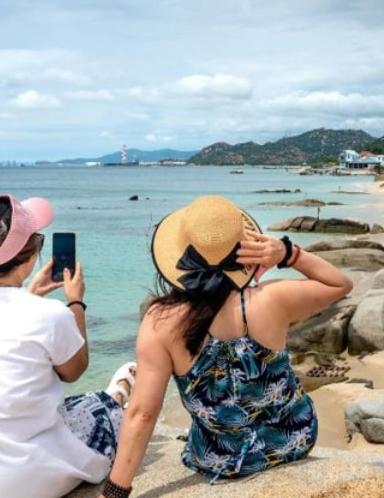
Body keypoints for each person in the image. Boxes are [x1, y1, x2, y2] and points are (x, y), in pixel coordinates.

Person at [100, 195, 353, 497]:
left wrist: (114, 492)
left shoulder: (161, 322)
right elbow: (340, 284)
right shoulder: (272, 299)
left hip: (218, 458)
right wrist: (288, 253)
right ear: (244, 249)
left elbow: (142, 413)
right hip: (294, 440)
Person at [0, 194, 137, 498]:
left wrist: (29, 292)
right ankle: (116, 396)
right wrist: (76, 301)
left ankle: (115, 394)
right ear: (32, 255)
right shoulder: (49, 315)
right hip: (18, 482)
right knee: (110, 414)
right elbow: (75, 369)